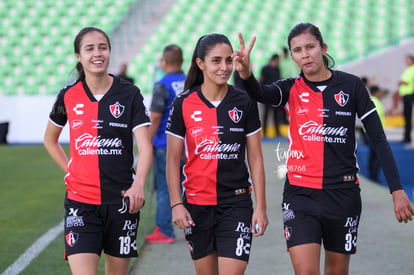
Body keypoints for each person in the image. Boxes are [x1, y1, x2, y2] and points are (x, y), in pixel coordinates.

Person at [233, 22, 414, 275]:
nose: (305, 54)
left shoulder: (352, 86)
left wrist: (396, 189)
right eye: (297, 50)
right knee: (306, 272)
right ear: (292, 56)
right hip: (300, 194)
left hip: (343, 194)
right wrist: (245, 74)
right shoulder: (289, 88)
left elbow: (378, 138)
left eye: (310, 47)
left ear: (323, 48)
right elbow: (261, 93)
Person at [43, 27, 153, 275]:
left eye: (102, 47)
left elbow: (145, 147)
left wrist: (139, 185)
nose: (97, 53)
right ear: (78, 56)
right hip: (81, 203)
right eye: (89, 48)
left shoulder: (129, 94)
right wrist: (70, 169)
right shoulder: (68, 96)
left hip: (122, 201)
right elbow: (50, 139)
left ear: (110, 52)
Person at [166, 33, 268, 275]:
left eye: (228, 61)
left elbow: (255, 158)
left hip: (236, 203)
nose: (224, 68)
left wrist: (261, 206)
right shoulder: (183, 103)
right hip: (196, 206)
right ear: (200, 64)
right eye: (216, 61)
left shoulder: (244, 102)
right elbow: (172, 160)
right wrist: (176, 204)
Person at [145, 44, 186, 244]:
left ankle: (164, 230)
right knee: (190, 187)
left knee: (165, 188)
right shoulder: (191, 81)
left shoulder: (162, 84)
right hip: (191, 145)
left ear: (165, 62)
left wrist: (146, 141)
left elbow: (155, 116)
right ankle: (193, 227)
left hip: (165, 144)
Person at [259, 54, 283, 137]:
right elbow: (261, 80)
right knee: (266, 114)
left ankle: (277, 132)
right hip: (266, 94)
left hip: (275, 95)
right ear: (274, 60)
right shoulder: (265, 68)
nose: (278, 62)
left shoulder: (278, 69)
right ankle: (265, 132)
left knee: (277, 114)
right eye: (278, 60)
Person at [367, 85, 386, 181]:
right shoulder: (376, 102)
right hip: (376, 134)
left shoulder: (371, 100)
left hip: (371, 133)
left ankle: (372, 177)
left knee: (373, 156)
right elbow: (375, 118)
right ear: (377, 92)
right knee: (378, 156)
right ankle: (374, 178)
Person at [398, 54, 414, 143]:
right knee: (406, 116)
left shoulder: (412, 69)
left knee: (408, 116)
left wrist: (402, 82)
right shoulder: (407, 70)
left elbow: (408, 82)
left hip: (410, 94)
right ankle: (406, 136)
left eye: (408, 60)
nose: (407, 61)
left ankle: (407, 137)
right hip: (405, 94)